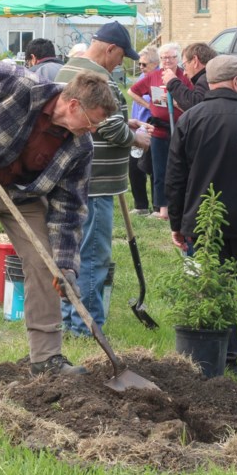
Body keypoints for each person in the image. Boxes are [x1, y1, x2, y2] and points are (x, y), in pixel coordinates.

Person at [0, 59, 117, 381]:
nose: (94, 131)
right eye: (92, 122)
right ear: (73, 105)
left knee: (48, 268)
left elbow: (69, 209)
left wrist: (67, 266)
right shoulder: (22, 86)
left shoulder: (80, 147)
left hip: (24, 194)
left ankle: (46, 359)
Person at [166, 56, 237, 375]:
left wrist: (178, 223)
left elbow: (175, 176)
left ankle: (222, 354)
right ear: (236, 81)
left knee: (211, 287)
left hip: (204, 223)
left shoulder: (190, 118)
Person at [56, 22, 147, 336]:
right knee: (93, 254)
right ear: (110, 49)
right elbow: (108, 128)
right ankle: (87, 326)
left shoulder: (68, 70)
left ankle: (69, 318)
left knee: (69, 251)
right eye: (121, 56)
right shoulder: (98, 79)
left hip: (72, 179)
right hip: (95, 184)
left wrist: (125, 121)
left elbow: (102, 121)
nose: (121, 63)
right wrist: (136, 138)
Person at [129, 42, 191, 220]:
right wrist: (149, 105)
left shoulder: (183, 77)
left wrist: (175, 101)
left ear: (177, 59)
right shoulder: (154, 76)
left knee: (178, 168)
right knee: (159, 170)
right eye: (164, 58)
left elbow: (191, 102)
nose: (167, 61)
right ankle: (161, 208)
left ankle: (178, 206)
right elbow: (133, 92)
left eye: (171, 57)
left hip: (179, 130)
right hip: (158, 130)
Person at [128, 46, 159, 214]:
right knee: (134, 166)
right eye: (139, 64)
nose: (141, 67)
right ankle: (140, 205)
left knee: (153, 167)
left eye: (144, 64)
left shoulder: (159, 78)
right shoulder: (142, 77)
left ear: (155, 64)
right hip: (137, 128)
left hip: (152, 128)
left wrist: (149, 106)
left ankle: (156, 206)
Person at [162, 42, 216, 112]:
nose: (184, 73)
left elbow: (196, 107)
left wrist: (172, 82)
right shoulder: (213, 76)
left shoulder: (206, 79)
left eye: (185, 66)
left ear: (195, 61)